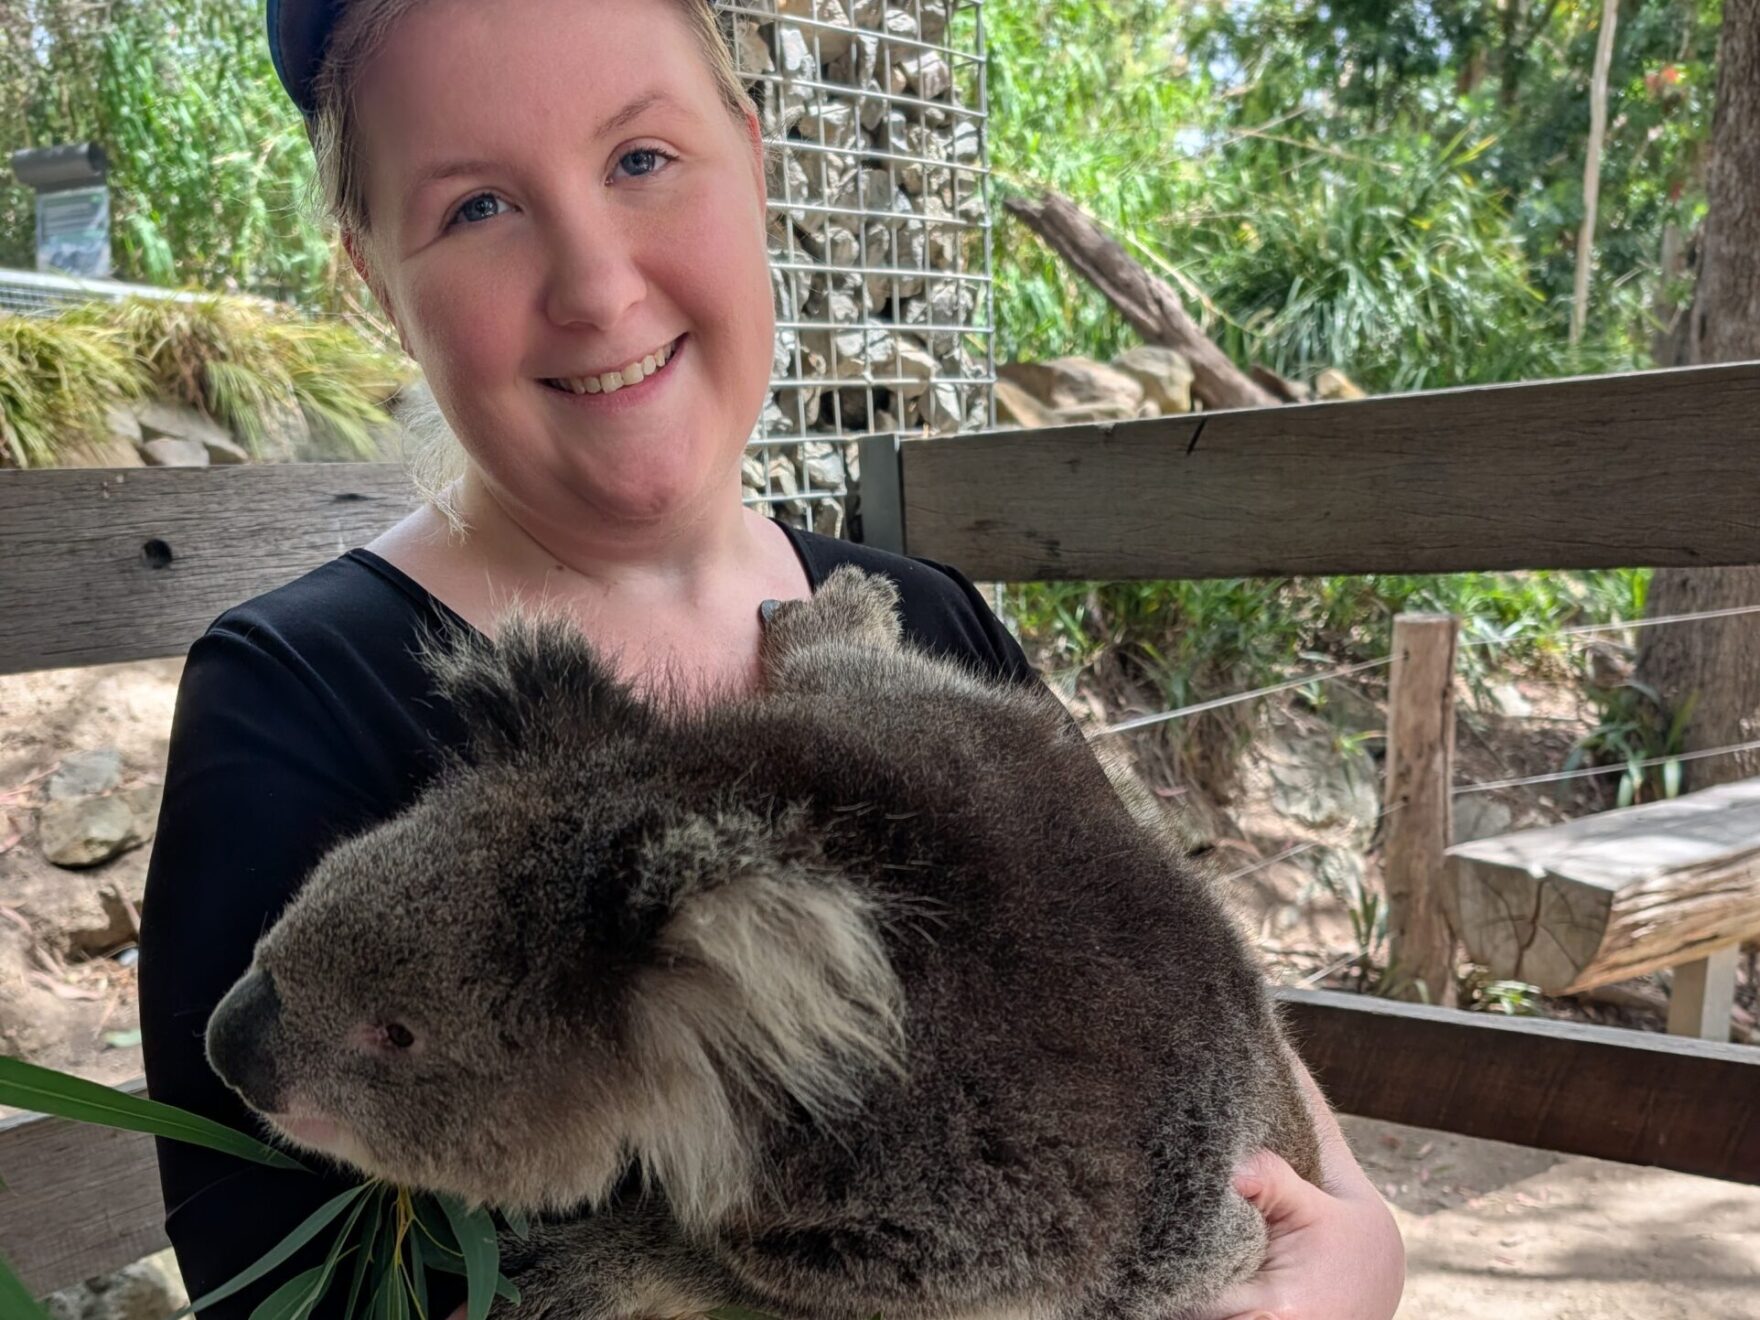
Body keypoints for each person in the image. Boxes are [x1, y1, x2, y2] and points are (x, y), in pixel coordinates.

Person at [137, 2, 1405, 1318]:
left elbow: (1164, 965)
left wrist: (1358, 1246)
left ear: (754, 160)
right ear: (370, 277)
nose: (596, 286)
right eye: (475, 208)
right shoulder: (289, 706)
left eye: (640, 159)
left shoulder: (924, 622)